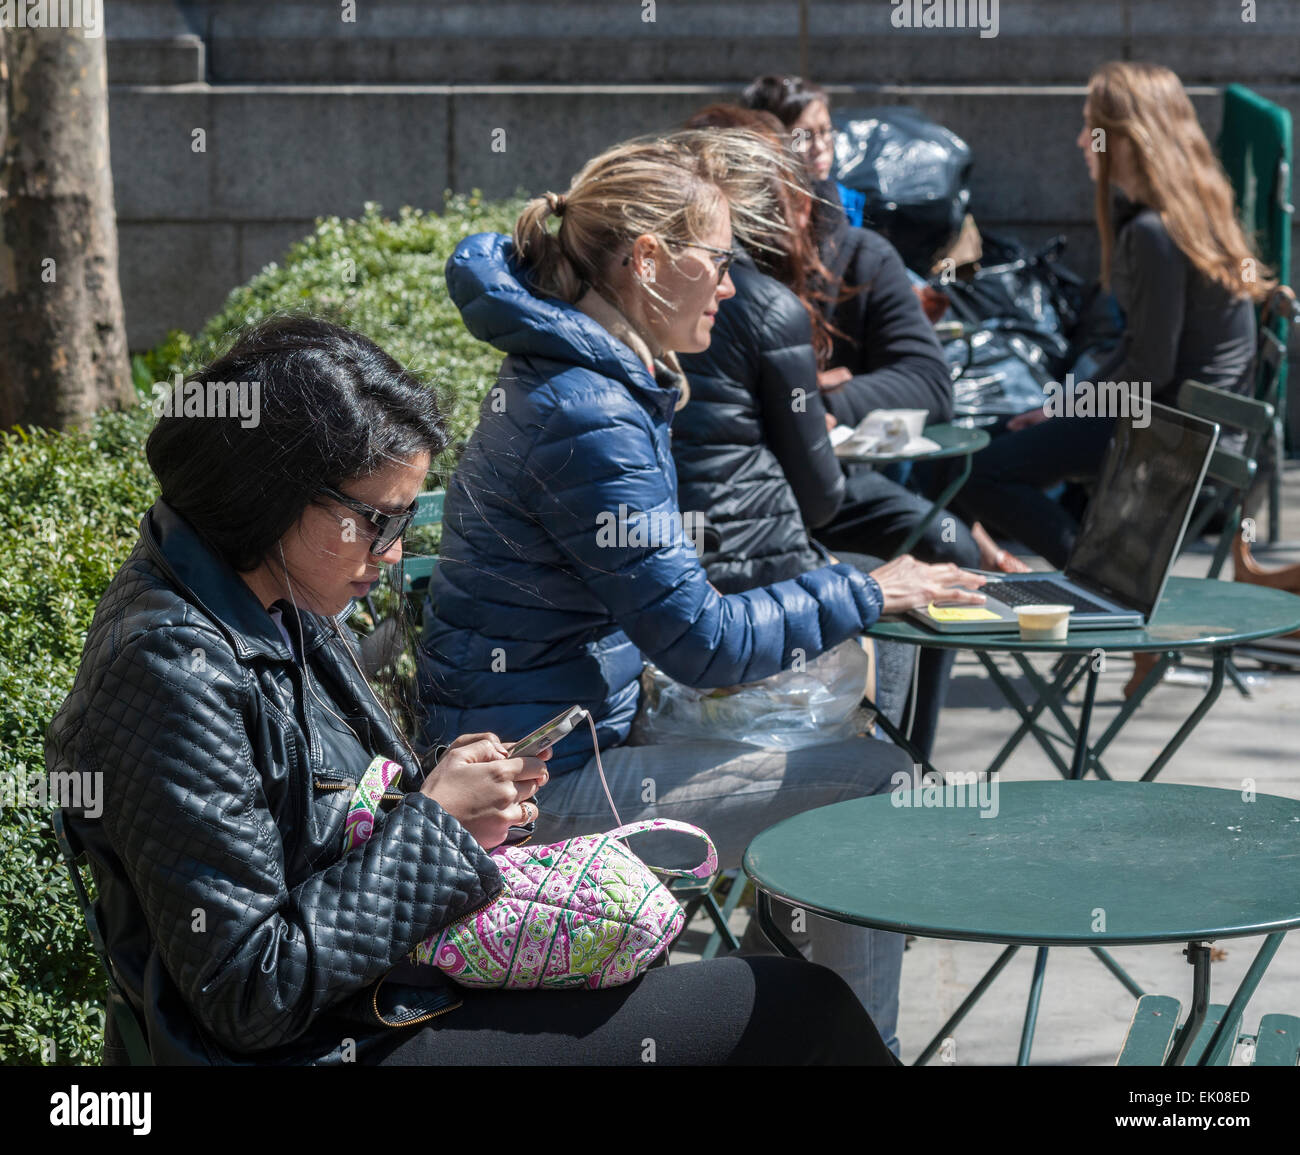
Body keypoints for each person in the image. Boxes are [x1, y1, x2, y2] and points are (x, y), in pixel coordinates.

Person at [44, 315, 906, 1066]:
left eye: (404, 521)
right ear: (275, 492)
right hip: (320, 1040)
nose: (390, 552)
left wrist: (440, 788)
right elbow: (247, 986)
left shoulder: (267, 586)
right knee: (795, 1012)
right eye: (379, 520)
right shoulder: (172, 664)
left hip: (378, 998)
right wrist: (438, 826)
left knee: (743, 992)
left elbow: (312, 824)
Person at [415, 128, 986, 1053]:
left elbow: (680, 621)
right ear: (649, 260)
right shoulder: (592, 409)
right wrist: (867, 590)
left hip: (548, 746)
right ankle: (851, 1051)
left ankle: (792, 1018)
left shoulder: (580, 374)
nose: (731, 284)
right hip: (540, 789)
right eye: (718, 261)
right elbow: (703, 643)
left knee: (824, 741)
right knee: (876, 783)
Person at [949, 61, 1265, 567]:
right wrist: (1065, 406)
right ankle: (1099, 571)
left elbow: (1150, 367)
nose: (1080, 142)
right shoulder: (1185, 216)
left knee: (975, 469)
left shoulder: (1154, 233)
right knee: (1001, 441)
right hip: (1189, 424)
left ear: (1125, 138)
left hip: (1174, 434)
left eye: (1089, 127)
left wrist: (1070, 408)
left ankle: (1096, 576)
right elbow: (1140, 352)